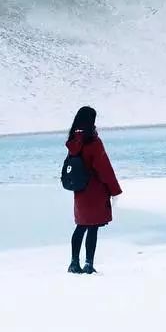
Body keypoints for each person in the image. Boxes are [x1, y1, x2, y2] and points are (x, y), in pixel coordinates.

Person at [65, 106, 122, 274]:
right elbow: (104, 169)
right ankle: (89, 264)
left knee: (80, 225)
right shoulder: (93, 142)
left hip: (80, 191)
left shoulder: (74, 141)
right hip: (95, 191)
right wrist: (115, 190)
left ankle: (74, 263)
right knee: (93, 227)